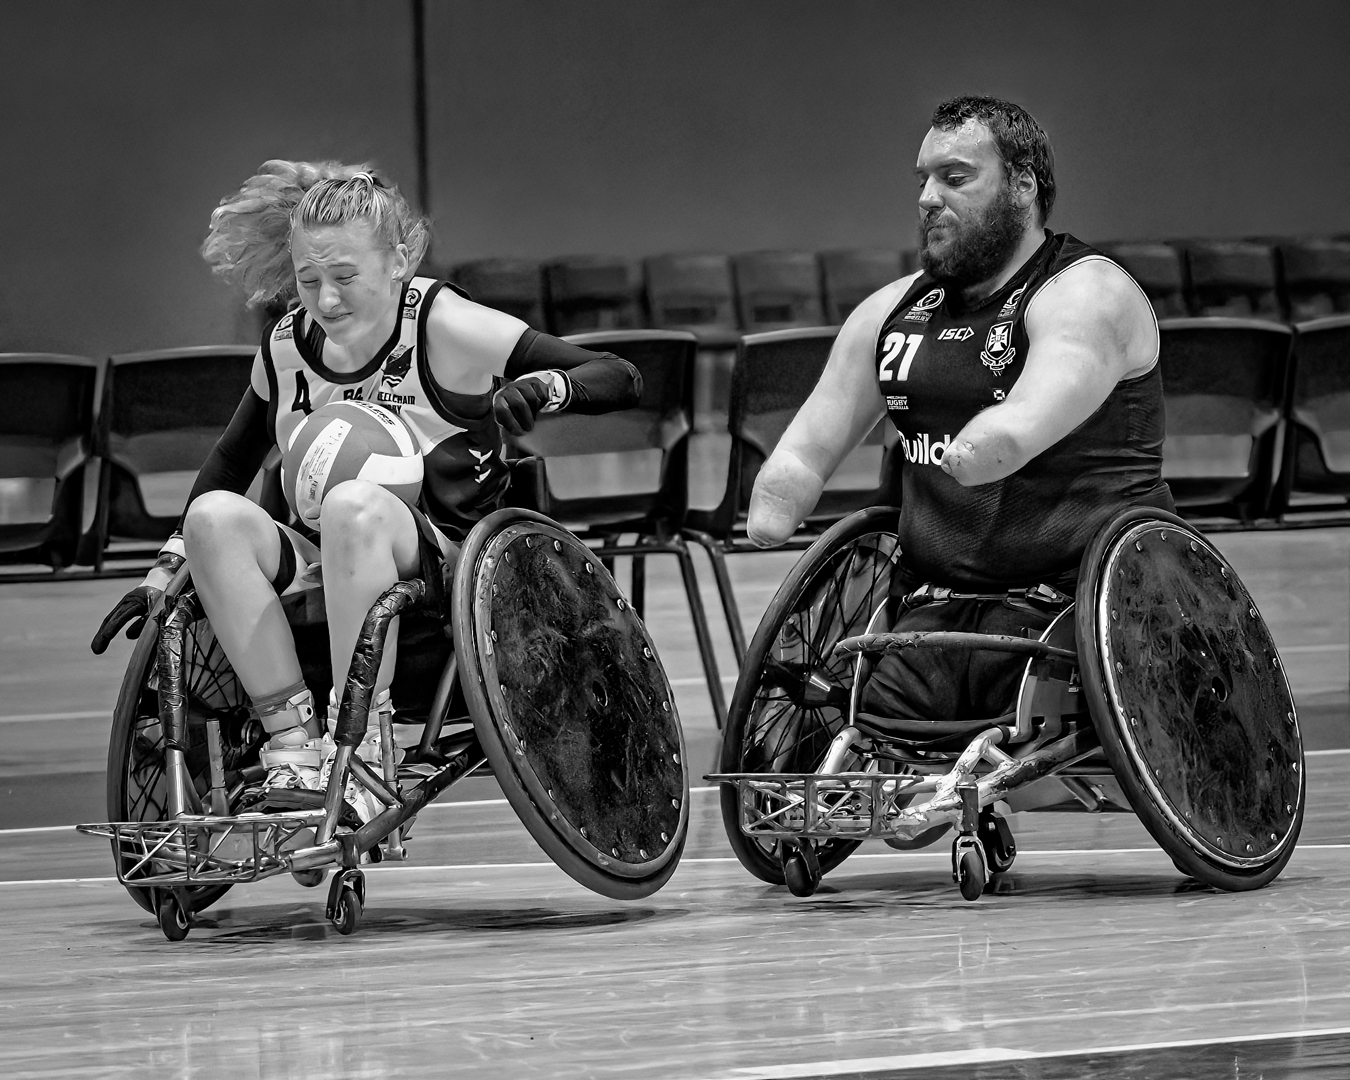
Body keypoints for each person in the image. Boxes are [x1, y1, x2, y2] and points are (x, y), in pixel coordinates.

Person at [91, 160, 641, 814]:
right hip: (328, 556)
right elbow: (228, 465)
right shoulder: (286, 347)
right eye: (309, 280)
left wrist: (548, 387)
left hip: (452, 563)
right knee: (212, 518)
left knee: (354, 507)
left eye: (345, 277)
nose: (326, 300)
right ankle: (293, 748)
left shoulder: (442, 322)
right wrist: (163, 573)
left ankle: (365, 754)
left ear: (398, 260)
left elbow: (618, 373)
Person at [747, 95, 1172, 727]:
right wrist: (784, 489)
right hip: (935, 617)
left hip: (1084, 613)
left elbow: (1018, 427)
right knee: (855, 731)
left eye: (955, 177)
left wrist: (977, 447)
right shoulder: (891, 312)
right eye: (923, 179)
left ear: (1022, 184)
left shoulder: (1088, 292)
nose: (927, 197)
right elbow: (809, 445)